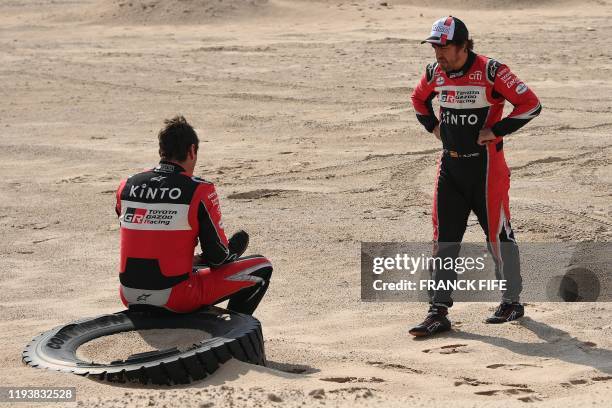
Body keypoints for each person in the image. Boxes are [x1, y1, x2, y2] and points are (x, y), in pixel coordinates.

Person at [409, 16, 542, 336]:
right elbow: (418, 100)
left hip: (486, 169)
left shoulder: (492, 71)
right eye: (434, 47)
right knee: (444, 240)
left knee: (497, 235)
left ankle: (512, 302)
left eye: (443, 47)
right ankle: (437, 310)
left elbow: (531, 105)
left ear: (463, 45)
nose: (438, 53)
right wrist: (434, 127)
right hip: (450, 167)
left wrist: (496, 130)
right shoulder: (434, 72)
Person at [115, 116, 272, 314]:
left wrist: (196, 260)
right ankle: (231, 336)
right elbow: (217, 259)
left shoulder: (126, 185)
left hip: (128, 294)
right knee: (262, 266)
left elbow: (149, 241)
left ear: (161, 151)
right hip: (177, 296)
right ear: (192, 150)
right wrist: (231, 252)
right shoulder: (199, 190)